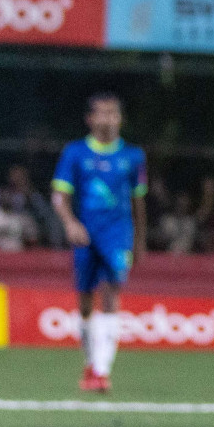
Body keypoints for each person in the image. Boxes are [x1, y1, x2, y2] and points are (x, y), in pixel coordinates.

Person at [51, 94, 147, 392]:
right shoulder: (75, 153)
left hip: (118, 234)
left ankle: (102, 371)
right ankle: (92, 362)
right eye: (102, 114)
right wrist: (69, 222)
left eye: (113, 113)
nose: (108, 119)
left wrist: (140, 241)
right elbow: (59, 196)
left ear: (121, 118)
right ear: (90, 119)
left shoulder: (133, 157)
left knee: (110, 294)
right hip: (85, 235)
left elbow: (138, 202)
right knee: (84, 303)